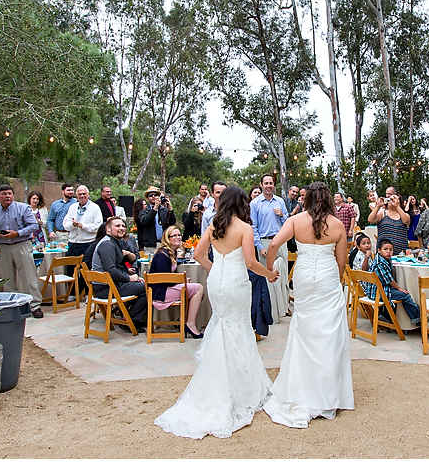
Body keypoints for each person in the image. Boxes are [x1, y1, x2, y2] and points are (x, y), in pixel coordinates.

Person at [155, 186, 277, 439]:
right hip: (235, 283)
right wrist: (270, 274)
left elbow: (198, 254)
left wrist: (215, 268)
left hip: (218, 281)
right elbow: (251, 263)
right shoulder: (244, 228)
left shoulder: (213, 227)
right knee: (239, 326)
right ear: (241, 203)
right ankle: (242, 387)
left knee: (222, 325)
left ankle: (220, 378)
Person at [263, 181, 354, 427]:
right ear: (327, 199)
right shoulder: (337, 225)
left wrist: (270, 270)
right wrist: (335, 280)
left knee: (304, 329)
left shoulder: (295, 221)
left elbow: (273, 244)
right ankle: (327, 391)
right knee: (329, 333)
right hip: (327, 278)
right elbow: (342, 263)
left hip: (303, 276)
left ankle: (300, 384)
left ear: (307, 199)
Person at [0, 184, 44, 318]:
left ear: (13, 195)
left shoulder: (23, 208)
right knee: (7, 278)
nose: (7, 196)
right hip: (3, 246)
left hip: (21, 244)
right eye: (4, 194)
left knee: (28, 277)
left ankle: (34, 306)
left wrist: (18, 233)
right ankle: (13, 306)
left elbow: (33, 225)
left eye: (10, 193)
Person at [90, 217, 148, 331]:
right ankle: (129, 320)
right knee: (148, 287)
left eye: (123, 226)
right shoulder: (107, 244)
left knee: (142, 284)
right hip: (107, 289)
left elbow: (115, 266)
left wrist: (127, 272)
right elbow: (111, 271)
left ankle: (131, 318)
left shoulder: (114, 242)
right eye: (117, 226)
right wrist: (129, 278)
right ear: (108, 229)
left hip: (112, 285)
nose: (121, 228)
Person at [148, 226, 206, 338]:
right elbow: (164, 279)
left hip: (165, 288)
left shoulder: (172, 252)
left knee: (199, 294)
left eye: (179, 235)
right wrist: (181, 282)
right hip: (160, 292)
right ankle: (190, 325)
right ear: (167, 238)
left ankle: (183, 321)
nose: (178, 237)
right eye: (174, 235)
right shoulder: (162, 255)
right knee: (199, 288)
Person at [364, 238, 421, 325]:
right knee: (404, 295)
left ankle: (386, 316)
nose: (388, 252)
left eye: (391, 250)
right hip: (378, 292)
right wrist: (399, 288)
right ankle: (417, 317)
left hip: (381, 289)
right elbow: (389, 280)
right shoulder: (380, 263)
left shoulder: (384, 259)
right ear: (379, 250)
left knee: (396, 293)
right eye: (385, 249)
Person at [251, 174, 289, 262]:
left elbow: (288, 224)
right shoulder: (254, 203)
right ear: (261, 185)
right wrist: (259, 247)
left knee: (283, 272)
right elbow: (253, 227)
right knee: (267, 273)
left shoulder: (280, 201)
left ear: (274, 184)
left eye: (271, 183)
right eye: (266, 183)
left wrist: (282, 215)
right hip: (265, 242)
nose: (269, 186)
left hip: (280, 241)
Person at [367, 188, 409, 255]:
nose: (391, 202)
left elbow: (406, 221)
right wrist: (378, 206)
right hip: (384, 253)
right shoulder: (382, 213)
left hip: (401, 253)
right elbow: (371, 220)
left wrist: (397, 206)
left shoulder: (404, 215)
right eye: (390, 200)